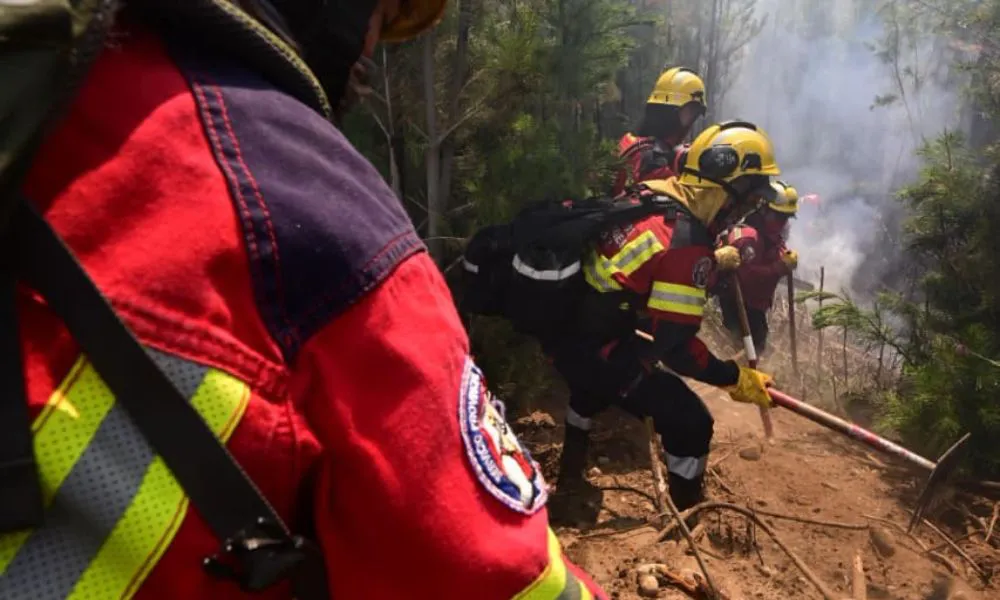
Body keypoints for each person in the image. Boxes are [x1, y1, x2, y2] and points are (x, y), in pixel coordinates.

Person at [1, 1, 608, 598]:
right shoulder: (300, 206)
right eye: (377, 13)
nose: (372, 49)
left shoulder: (44, 95)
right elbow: (492, 575)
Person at [546, 121, 781, 514]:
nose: (745, 211)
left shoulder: (656, 195)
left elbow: (649, 276)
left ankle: (570, 475)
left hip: (571, 328)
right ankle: (686, 514)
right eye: (749, 200)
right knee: (691, 420)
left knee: (592, 388)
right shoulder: (688, 244)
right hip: (590, 346)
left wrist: (713, 264)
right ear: (729, 189)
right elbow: (678, 351)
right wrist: (734, 378)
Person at [716, 180, 800, 356]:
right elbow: (747, 276)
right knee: (741, 351)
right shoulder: (748, 238)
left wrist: (786, 257)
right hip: (739, 306)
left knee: (757, 349)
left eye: (786, 218)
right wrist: (778, 268)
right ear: (763, 209)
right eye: (779, 216)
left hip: (756, 306)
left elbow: (777, 246)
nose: (782, 223)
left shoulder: (769, 233)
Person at [611, 67, 707, 196]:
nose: (692, 121)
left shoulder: (630, 142)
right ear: (671, 112)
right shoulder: (654, 160)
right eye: (691, 112)